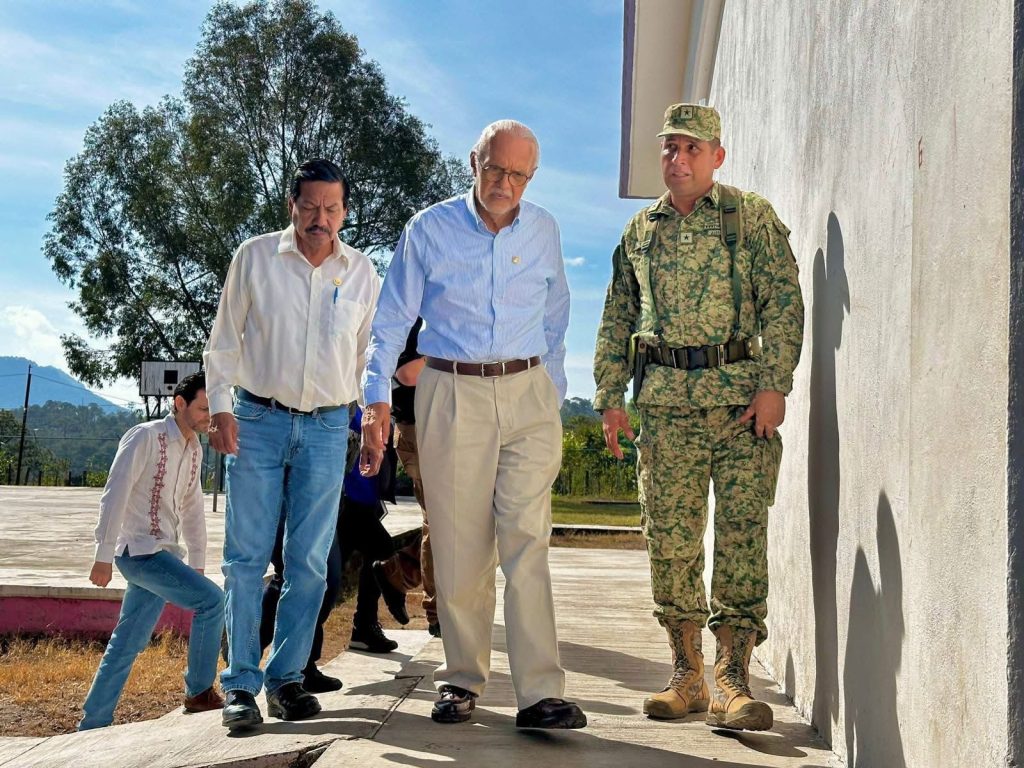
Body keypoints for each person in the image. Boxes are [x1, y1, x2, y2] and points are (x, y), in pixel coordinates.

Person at [360, 120, 585, 730]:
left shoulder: (543, 229)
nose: (505, 183)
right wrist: (375, 398)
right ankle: (461, 680)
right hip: (452, 390)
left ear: (532, 177)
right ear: (473, 163)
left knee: (527, 539)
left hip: (527, 391)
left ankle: (540, 694)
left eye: (519, 175)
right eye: (495, 169)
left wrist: (552, 390)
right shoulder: (429, 229)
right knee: (460, 544)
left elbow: (557, 311)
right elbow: (390, 319)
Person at [593, 104, 804, 732]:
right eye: (669, 147)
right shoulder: (640, 231)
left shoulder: (749, 216)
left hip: (741, 408)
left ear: (717, 155)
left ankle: (733, 680)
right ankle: (686, 675)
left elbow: (783, 301)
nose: (678, 159)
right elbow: (617, 316)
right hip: (665, 411)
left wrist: (775, 384)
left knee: (740, 538)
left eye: (691, 148)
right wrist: (610, 396)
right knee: (671, 542)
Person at [204, 158, 380, 730]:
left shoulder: (362, 272)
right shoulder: (255, 257)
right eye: (309, 207)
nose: (319, 219)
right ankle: (240, 685)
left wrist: (370, 420)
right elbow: (223, 341)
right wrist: (222, 409)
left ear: (344, 212)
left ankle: (287, 679)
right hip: (257, 421)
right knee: (246, 558)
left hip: (328, 429)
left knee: (309, 562)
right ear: (292, 207)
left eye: (331, 208)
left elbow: (366, 357)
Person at [79, 372, 224, 730]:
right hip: (139, 552)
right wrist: (102, 555)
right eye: (203, 408)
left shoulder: (194, 449)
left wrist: (198, 561)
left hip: (164, 555)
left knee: (128, 640)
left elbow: (192, 508)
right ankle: (198, 692)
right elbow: (115, 492)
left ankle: (93, 722)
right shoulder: (145, 436)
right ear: (180, 403)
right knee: (212, 602)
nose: (208, 417)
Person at [371, 317, 441, 638]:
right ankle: (437, 613)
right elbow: (407, 374)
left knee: (452, 522)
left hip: (440, 430)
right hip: (418, 430)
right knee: (439, 523)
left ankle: (398, 574)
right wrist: (455, 355)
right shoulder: (411, 319)